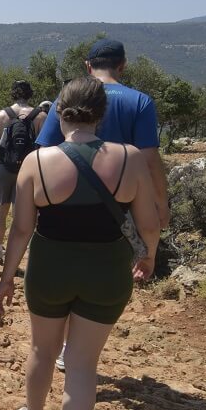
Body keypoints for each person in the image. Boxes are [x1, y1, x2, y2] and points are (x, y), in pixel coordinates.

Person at [0, 77, 160, 410]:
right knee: (83, 367)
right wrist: (148, 256)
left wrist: (7, 277)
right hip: (106, 271)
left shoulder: (37, 161)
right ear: (101, 113)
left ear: (61, 112)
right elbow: (149, 223)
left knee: (41, 350)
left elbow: (21, 231)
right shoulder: (131, 158)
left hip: (51, 268)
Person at [37, 38, 169, 371]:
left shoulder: (66, 100)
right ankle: (79, 350)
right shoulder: (140, 102)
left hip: (65, 207)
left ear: (87, 66)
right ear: (123, 65)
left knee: (66, 277)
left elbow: (43, 152)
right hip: (119, 208)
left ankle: (66, 345)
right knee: (102, 280)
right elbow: (151, 160)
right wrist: (159, 202)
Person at [0, 80, 46, 244]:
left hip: (3, 168)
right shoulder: (40, 116)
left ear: (13, 94)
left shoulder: (0, 116)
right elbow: (45, 147)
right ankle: (19, 249)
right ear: (30, 94)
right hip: (29, 169)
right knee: (22, 212)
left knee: (0, 210)